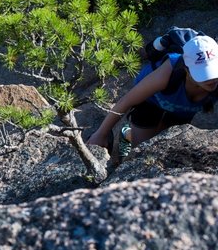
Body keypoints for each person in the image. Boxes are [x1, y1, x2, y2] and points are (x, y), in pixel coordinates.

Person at [87, 35, 218, 158]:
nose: (212, 79)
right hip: (151, 102)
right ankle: (125, 134)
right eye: (204, 74)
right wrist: (101, 134)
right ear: (186, 69)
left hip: (181, 110)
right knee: (139, 151)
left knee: (168, 145)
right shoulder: (168, 72)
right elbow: (126, 101)